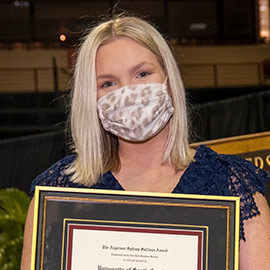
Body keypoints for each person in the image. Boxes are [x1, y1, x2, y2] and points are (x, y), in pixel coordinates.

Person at [21, 16, 270, 269]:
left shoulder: (234, 186)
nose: (129, 93)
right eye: (108, 83)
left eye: (142, 73)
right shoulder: (59, 192)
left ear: (169, 80)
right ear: (90, 98)